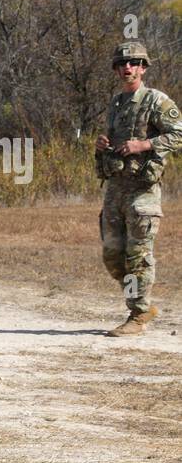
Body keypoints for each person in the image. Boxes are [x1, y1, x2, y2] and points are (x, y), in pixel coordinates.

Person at [94, 41, 182, 336]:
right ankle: (141, 305)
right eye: (122, 64)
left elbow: (179, 134)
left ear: (143, 68)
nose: (127, 68)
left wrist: (144, 144)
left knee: (138, 255)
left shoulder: (156, 101)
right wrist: (103, 145)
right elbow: (112, 139)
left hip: (142, 191)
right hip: (115, 189)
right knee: (112, 256)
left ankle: (138, 314)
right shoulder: (117, 103)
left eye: (133, 63)